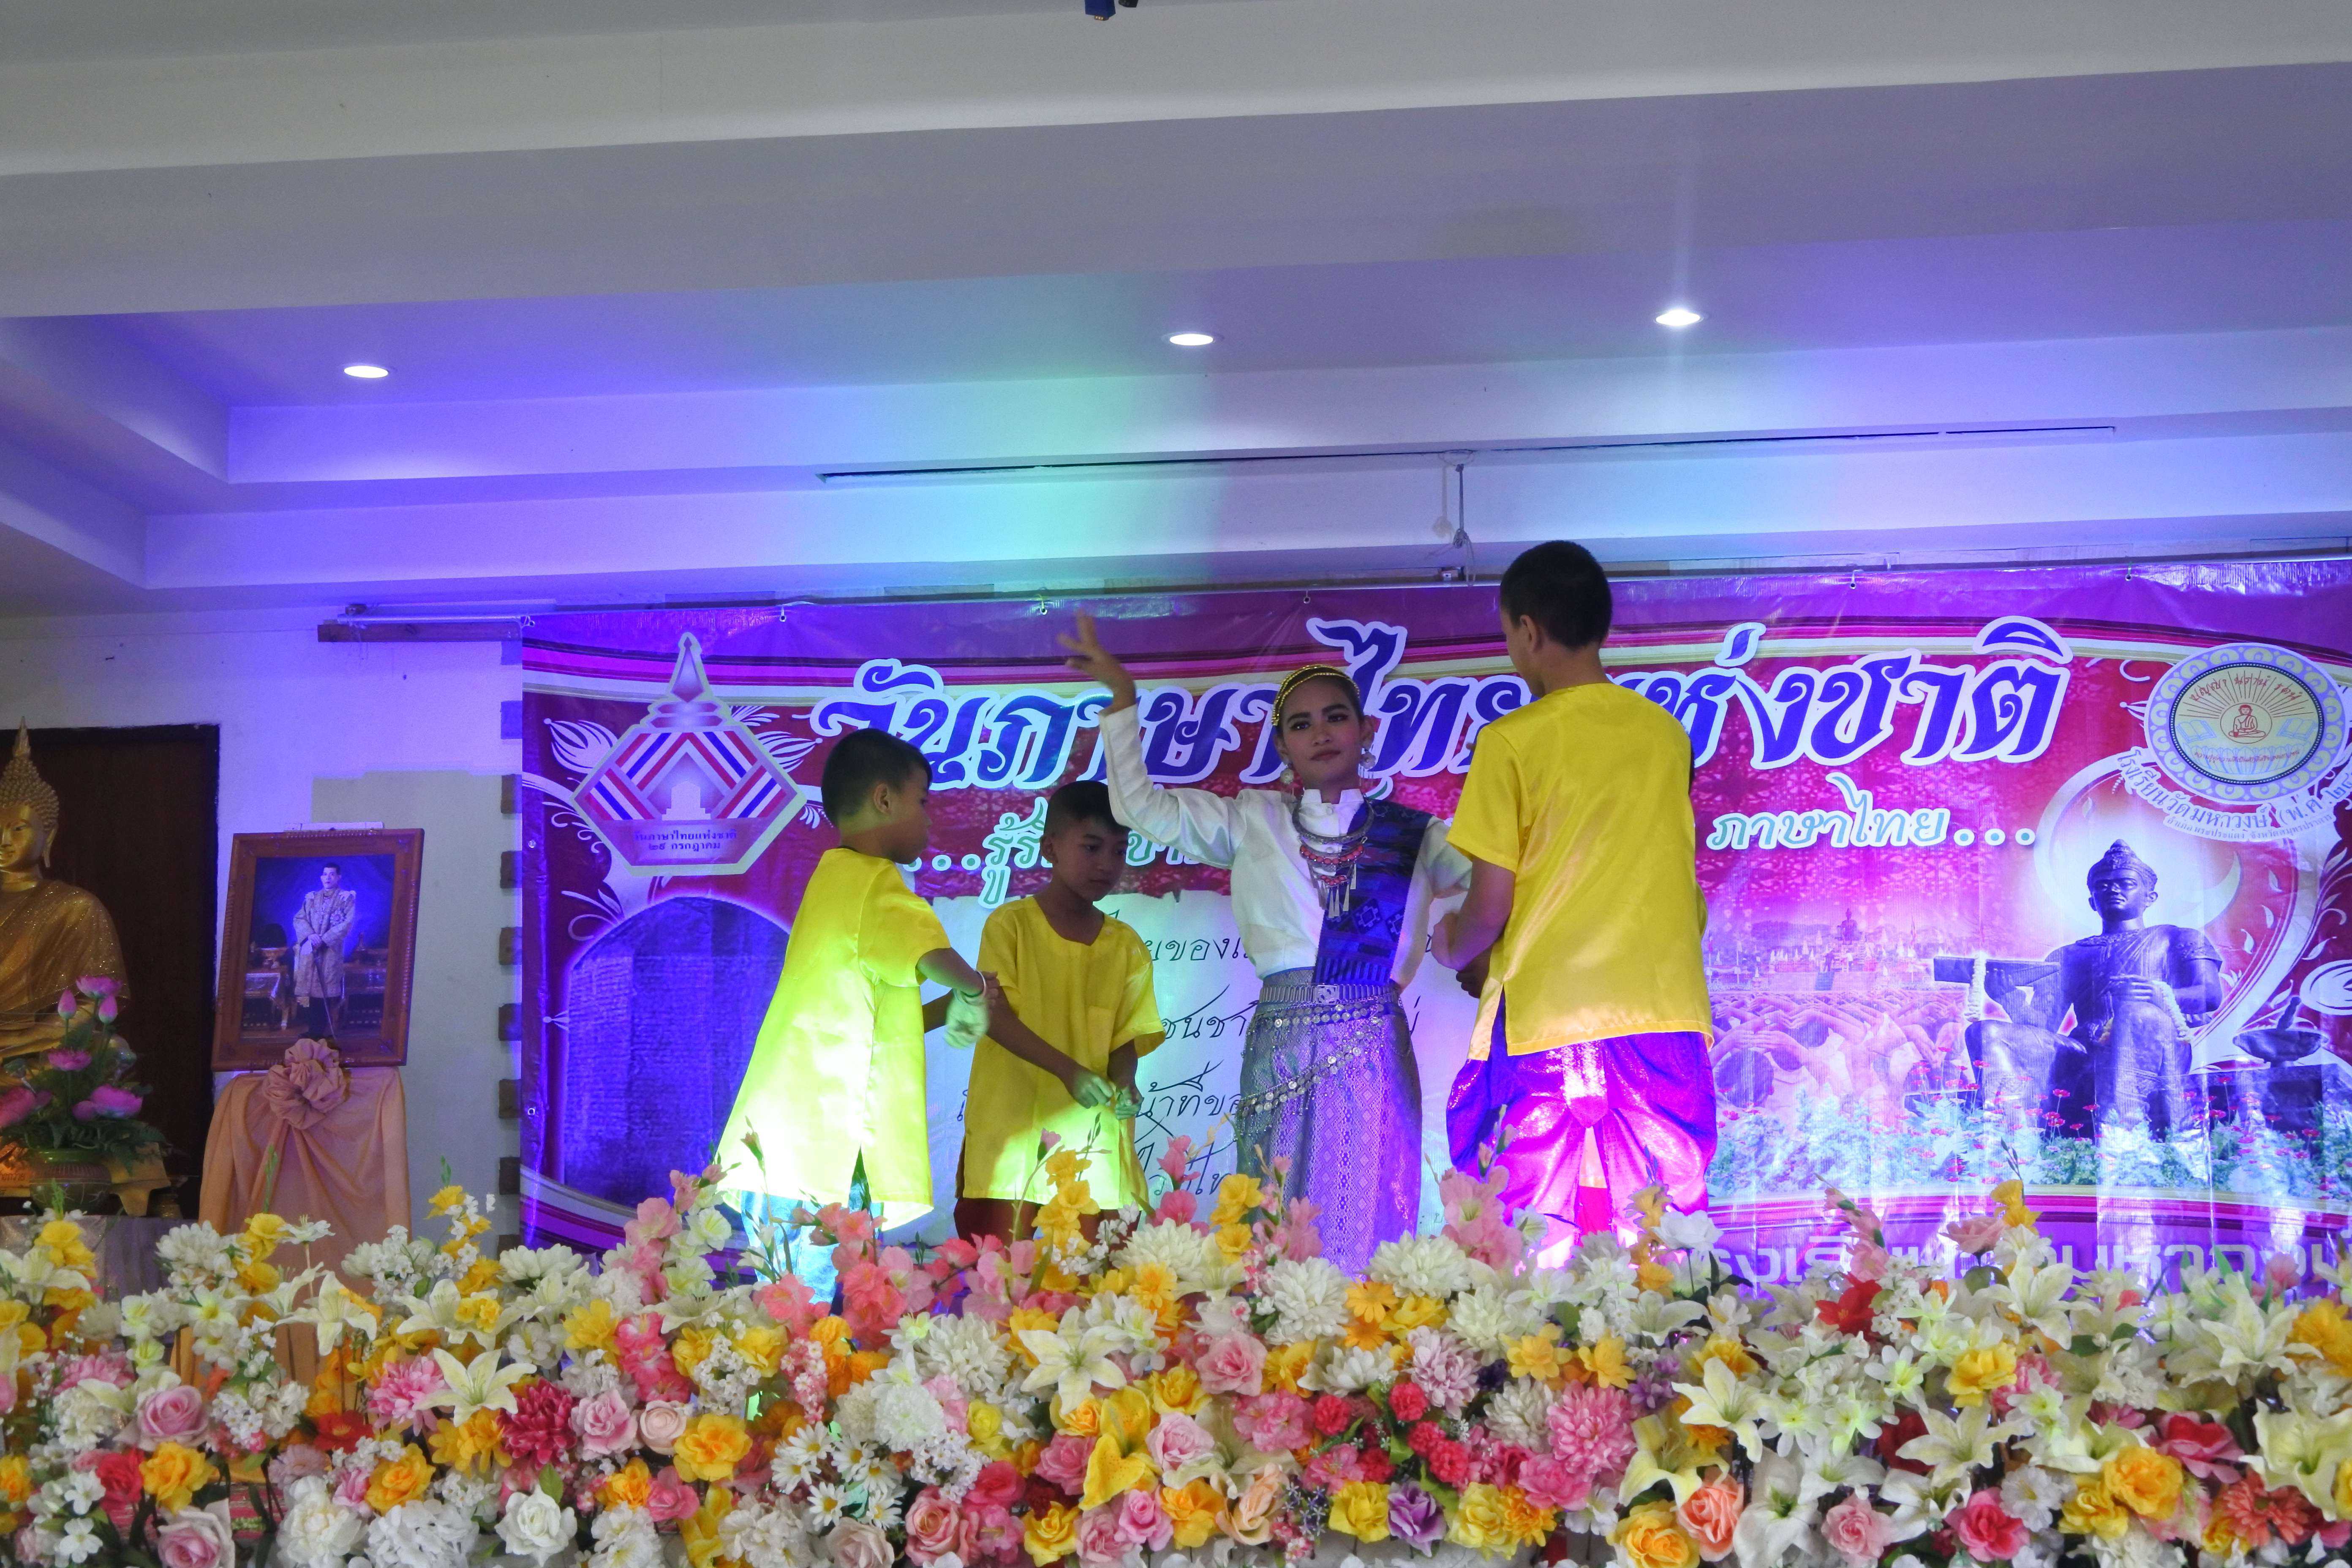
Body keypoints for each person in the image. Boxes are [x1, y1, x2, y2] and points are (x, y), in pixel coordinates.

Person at [1061, 613, 1470, 1273]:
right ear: (1283, 746)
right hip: (1282, 1042)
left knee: (1366, 1212)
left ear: (1366, 731)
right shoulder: (1253, 820)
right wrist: (1123, 701)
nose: (1321, 733)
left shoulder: (1417, 836)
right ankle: (1275, 1338)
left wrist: (1469, 942)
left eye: (1335, 717)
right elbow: (1141, 808)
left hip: (1372, 1047)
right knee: (1274, 1217)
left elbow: (1500, 881)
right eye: (1301, 725)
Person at [1433, 541, 1716, 1258]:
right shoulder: (1665, 736)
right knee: (1665, 1233)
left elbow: (1489, 904)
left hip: (1548, 1021)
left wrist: (1452, 945)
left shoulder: (1512, 742)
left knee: (1525, 1231)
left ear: (1528, 630)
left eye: (1507, 635)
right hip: (1663, 1010)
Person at [720, 727, 991, 1229]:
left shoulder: (833, 878)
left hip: (788, 1142)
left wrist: (949, 1008)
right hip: (823, 1148)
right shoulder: (874, 883)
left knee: (789, 1280)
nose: (930, 818)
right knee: (825, 1281)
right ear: (884, 800)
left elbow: (872, 1023)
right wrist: (974, 990)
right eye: (923, 801)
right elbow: (935, 957)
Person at [956, 780, 1164, 1241]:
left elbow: (1126, 1036)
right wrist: (1069, 1071)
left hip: (1090, 1137)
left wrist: (1125, 1082)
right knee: (999, 1272)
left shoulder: (1126, 946)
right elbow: (994, 1015)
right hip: (1011, 1132)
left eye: (1119, 851)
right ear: (1050, 848)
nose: (1107, 864)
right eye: (1092, 847)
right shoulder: (1010, 925)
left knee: (1092, 1272)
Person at [1971, 839, 2223, 1140]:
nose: (2113, 890)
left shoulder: (2176, 938)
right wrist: (2009, 997)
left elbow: (2209, 995)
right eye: (2103, 886)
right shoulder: (2068, 955)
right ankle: (2016, 1142)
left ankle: (2122, 1137)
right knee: (1986, 1032)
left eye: (2126, 883)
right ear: (2092, 901)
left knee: (2135, 1012)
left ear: (2150, 897)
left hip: (2152, 1043)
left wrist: (2160, 995)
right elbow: (2043, 1028)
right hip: (2084, 1050)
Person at [0, 722, 128, 1062]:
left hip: (37, 1042)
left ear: (50, 836)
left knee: (112, 1049)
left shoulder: (75, 907)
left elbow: (93, 1002)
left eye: (17, 829)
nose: (4, 841)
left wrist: (33, 1037)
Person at [292, 861, 357, 1034]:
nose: (328, 878)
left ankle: (323, 1032)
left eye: (332, 874)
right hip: (312, 950)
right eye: (325, 874)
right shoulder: (312, 898)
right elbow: (299, 919)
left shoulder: (346, 898)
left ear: (338, 877)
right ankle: (313, 1031)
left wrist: (324, 939)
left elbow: (347, 924)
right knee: (312, 992)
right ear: (321, 877)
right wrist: (310, 936)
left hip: (330, 952)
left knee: (326, 990)